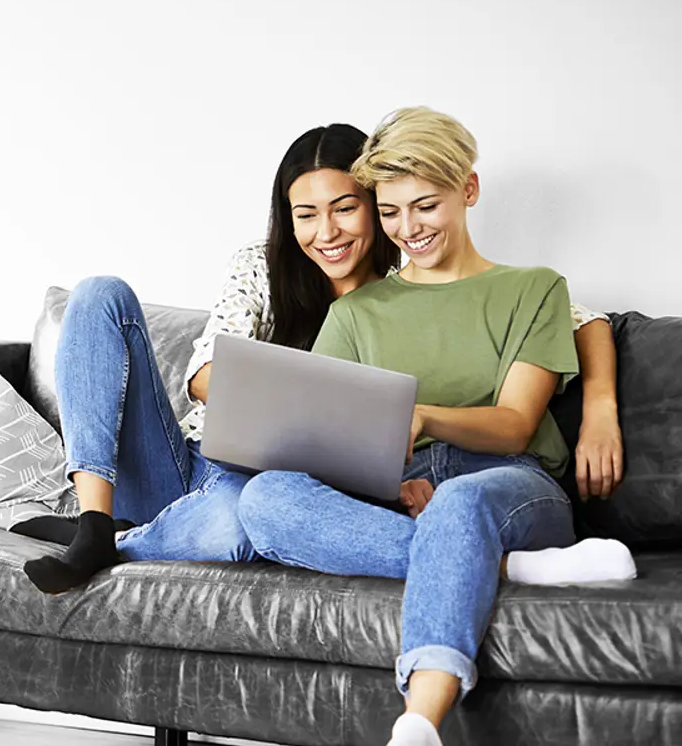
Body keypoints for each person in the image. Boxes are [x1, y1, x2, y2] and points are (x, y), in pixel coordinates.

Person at [21, 120, 629, 596]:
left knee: (247, 516)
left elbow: (582, 315)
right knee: (99, 294)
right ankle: (97, 520)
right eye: (305, 214)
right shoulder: (263, 265)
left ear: (377, 203)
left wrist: (599, 405)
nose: (327, 232)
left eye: (346, 208)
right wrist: (301, 402)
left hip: (260, 491)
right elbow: (203, 375)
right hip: (192, 464)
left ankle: (120, 544)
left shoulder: (414, 272)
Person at [232, 107, 636, 746]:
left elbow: (513, 424)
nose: (407, 228)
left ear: (468, 190)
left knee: (460, 503)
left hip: (508, 484)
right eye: (390, 212)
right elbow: (324, 443)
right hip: (407, 495)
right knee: (265, 498)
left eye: (425, 206)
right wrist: (391, 484)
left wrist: (418, 416)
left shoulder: (533, 290)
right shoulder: (357, 312)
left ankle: (418, 721)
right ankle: (510, 570)